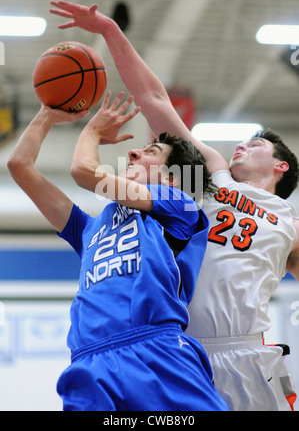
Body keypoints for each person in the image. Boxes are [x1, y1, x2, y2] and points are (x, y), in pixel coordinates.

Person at [49, 0, 299, 411]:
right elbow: (153, 98)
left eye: (255, 144)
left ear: (280, 165)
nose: (240, 144)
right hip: (180, 350)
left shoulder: (291, 225)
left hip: (250, 354)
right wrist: (110, 30)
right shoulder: (208, 179)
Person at [7, 91, 227, 411]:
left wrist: (92, 131)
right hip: (89, 364)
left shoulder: (179, 206)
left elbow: (83, 172)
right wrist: (48, 113)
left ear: (171, 178)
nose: (133, 153)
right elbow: (19, 165)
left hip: (156, 354)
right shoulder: (88, 228)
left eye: (150, 151)